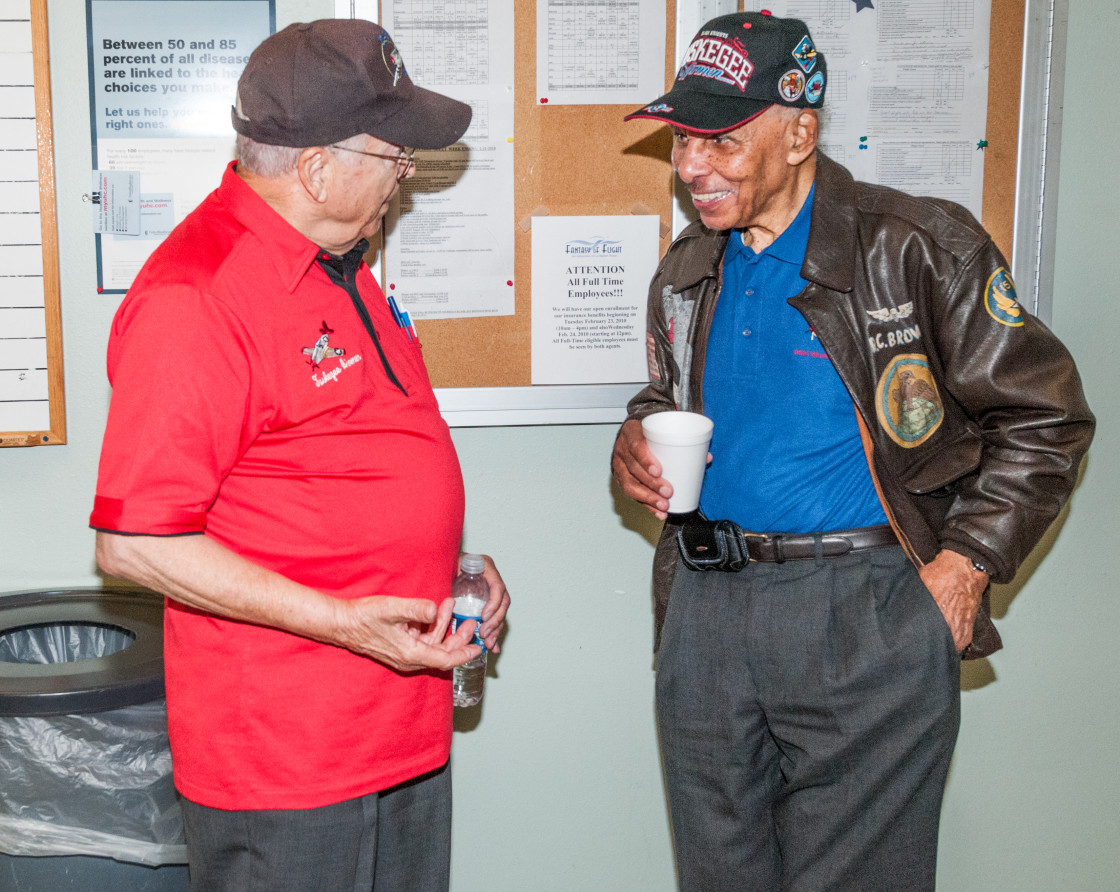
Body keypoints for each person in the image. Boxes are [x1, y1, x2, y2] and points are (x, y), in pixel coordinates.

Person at [612, 11, 1093, 891]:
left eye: (720, 139)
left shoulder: (914, 246)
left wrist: (968, 561)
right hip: (707, 612)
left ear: (800, 133)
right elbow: (663, 400)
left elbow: (1045, 415)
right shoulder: (687, 267)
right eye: (683, 139)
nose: (691, 167)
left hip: (863, 612)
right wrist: (634, 441)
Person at [89, 19, 510, 892]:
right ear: (319, 168)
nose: (404, 177)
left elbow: (331, 473)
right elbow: (135, 544)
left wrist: (444, 563)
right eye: (395, 156)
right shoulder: (199, 298)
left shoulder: (337, 263)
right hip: (290, 763)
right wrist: (343, 623)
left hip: (398, 730)